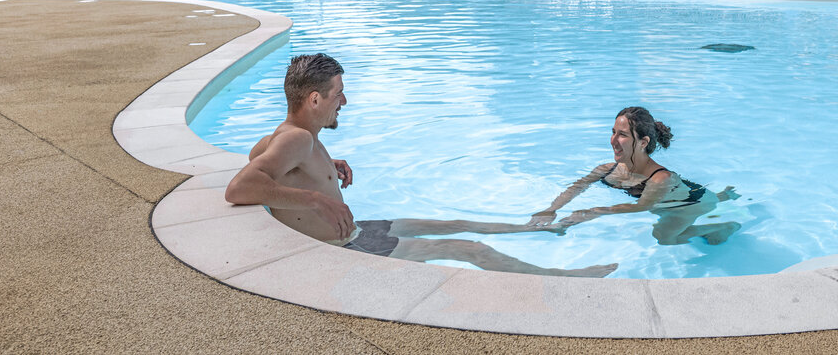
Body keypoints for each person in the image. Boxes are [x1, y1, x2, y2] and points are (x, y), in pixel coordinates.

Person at [225, 53, 615, 277]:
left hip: (357, 230)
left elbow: (260, 157)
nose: (344, 102)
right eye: (338, 94)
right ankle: (561, 278)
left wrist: (321, 166)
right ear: (314, 99)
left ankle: (530, 229)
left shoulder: (291, 136)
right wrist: (315, 198)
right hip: (349, 245)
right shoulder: (297, 139)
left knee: (453, 224)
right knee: (468, 248)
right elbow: (239, 188)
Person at [530, 106, 740, 245]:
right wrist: (550, 209)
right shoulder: (607, 169)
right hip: (669, 196)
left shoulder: (660, 178)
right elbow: (577, 186)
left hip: (690, 204)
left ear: (643, 142)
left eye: (622, 135)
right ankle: (723, 196)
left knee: (663, 237)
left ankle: (722, 226)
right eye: (613, 132)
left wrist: (594, 211)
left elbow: (642, 206)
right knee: (665, 203)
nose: (613, 140)